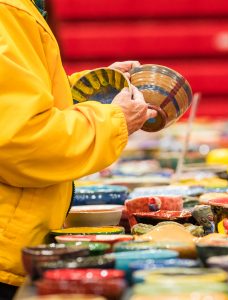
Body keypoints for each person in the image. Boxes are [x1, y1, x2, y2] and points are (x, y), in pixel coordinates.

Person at [0, 0, 156, 298]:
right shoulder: (9, 11)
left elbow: (19, 104)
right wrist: (114, 120)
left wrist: (92, 90)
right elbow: (21, 141)